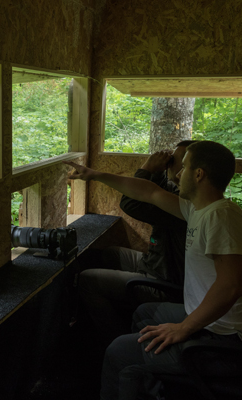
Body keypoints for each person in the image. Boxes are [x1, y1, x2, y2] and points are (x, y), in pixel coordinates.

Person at [65, 141, 242, 400]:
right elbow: (149, 193)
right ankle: (151, 386)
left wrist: (183, 328)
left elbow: (231, 286)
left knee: (118, 353)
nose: (178, 173)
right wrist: (95, 174)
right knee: (143, 313)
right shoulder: (198, 209)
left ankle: (134, 371)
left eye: (185, 167)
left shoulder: (221, 217)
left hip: (225, 343)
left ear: (199, 174)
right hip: (210, 324)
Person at [78, 140, 196, 344]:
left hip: (164, 284)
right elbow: (159, 189)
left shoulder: (186, 206)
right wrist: (158, 171)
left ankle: (115, 339)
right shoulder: (185, 194)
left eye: (177, 161)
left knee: (87, 280)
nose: (170, 163)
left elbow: (131, 203)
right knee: (111, 254)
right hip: (157, 264)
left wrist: (147, 168)